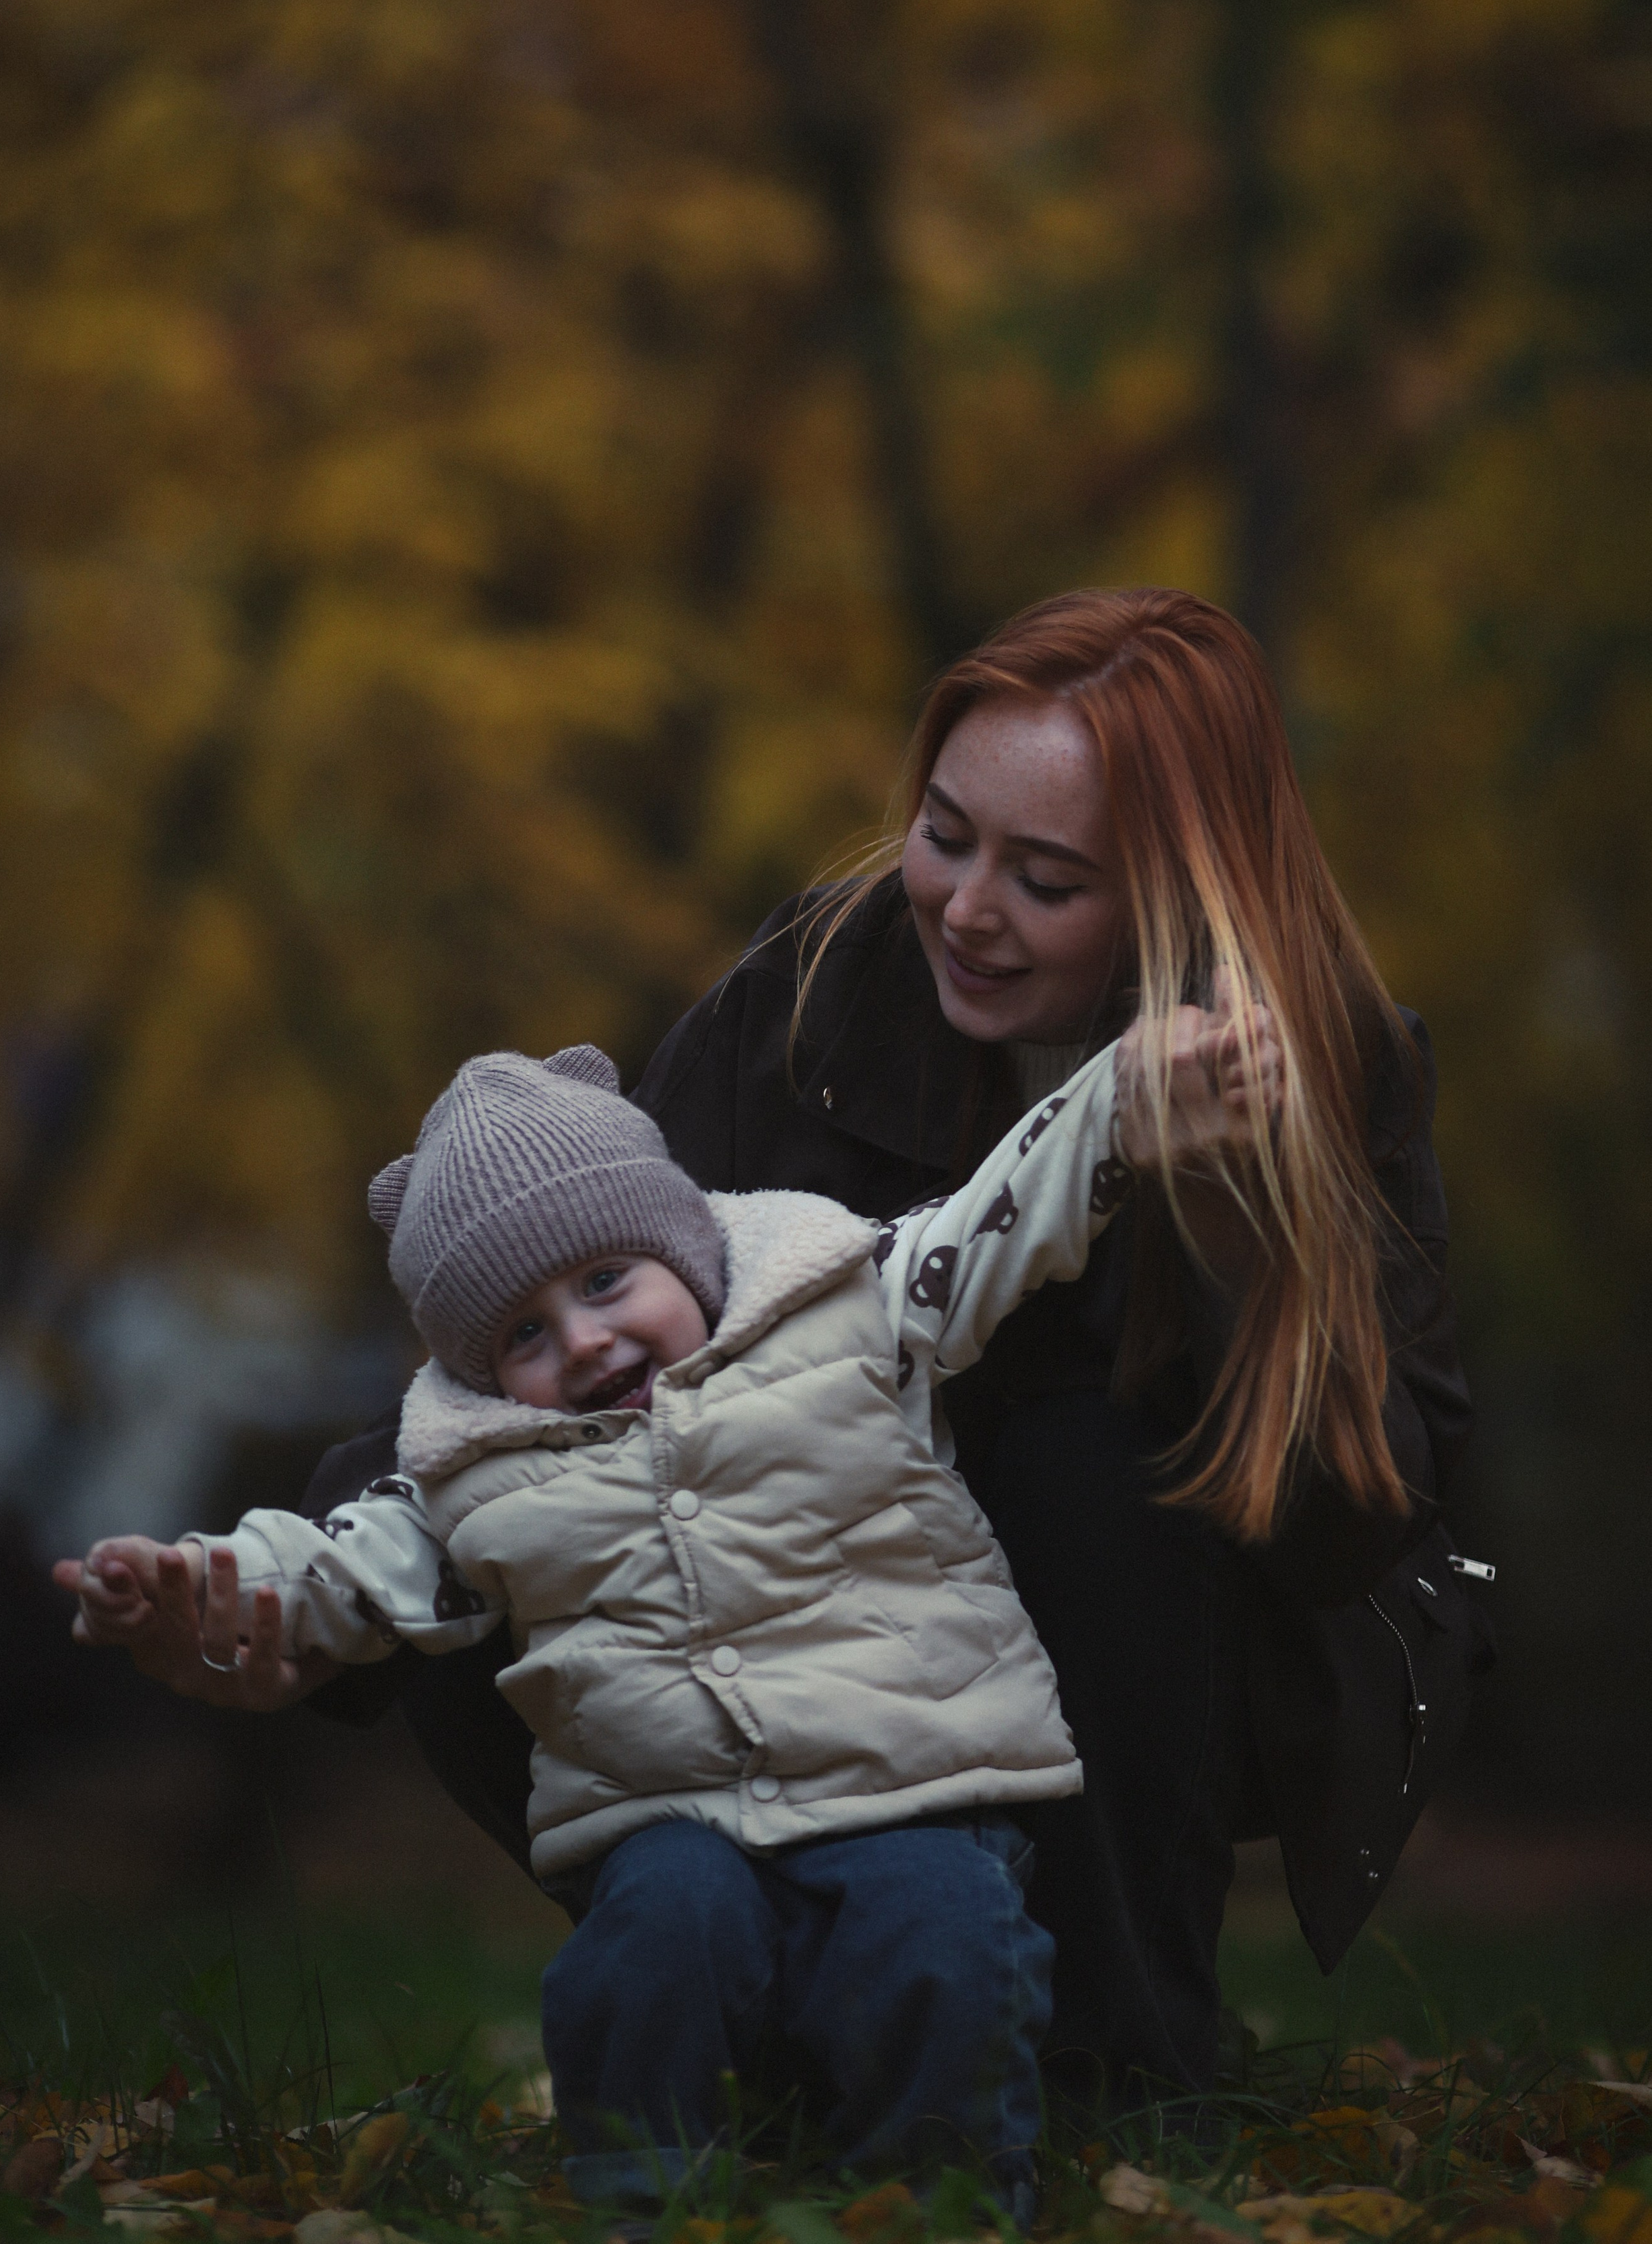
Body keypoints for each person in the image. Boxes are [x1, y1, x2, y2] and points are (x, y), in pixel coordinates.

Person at [96, 586, 1485, 2119]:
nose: (963, 907)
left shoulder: (1333, 1062)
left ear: (1173, 894)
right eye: (944, 834)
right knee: (500, 1536)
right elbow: (546, 1335)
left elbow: (1370, 1506)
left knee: (1081, 1465)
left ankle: (1107, 2057)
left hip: (1156, 1618)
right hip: (796, 1596)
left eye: (1044, 879)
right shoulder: (810, 996)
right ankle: (746, 2014)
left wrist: (1201, 1223)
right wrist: (280, 1606)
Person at [57, 1012, 1275, 2212]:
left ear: (681, 1246)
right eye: (524, 1332)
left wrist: (1119, 1101)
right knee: (651, 1948)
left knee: (944, 1943)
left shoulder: (849, 1307)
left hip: (910, 1775)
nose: (584, 1341)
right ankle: (648, 2190)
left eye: (605, 1280)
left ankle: (938, 2189)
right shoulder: (473, 1473)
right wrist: (208, 1593)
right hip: (668, 1815)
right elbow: (332, 1568)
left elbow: (1005, 1217)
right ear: (481, 1374)